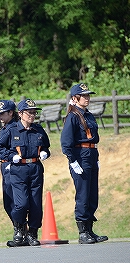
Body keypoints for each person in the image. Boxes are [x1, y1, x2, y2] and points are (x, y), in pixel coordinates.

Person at [0, 99, 50, 247]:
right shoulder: (11, 130)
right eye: (29, 112)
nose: (32, 115)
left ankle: (32, 233)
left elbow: (46, 147)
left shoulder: (38, 130)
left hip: (35, 169)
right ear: (20, 114)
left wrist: (45, 153)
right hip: (18, 170)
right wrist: (10, 157)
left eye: (34, 112)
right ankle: (19, 227)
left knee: (35, 204)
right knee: (21, 203)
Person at [60, 83, 108, 244]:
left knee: (92, 194)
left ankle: (90, 230)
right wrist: (72, 161)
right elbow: (66, 142)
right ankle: (82, 232)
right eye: (84, 95)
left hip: (92, 154)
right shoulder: (73, 116)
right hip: (80, 156)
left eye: (88, 95)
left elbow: (93, 138)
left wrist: (97, 158)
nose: (87, 98)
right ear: (75, 98)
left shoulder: (88, 115)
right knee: (83, 194)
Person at [0, 100, 19, 224]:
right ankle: (19, 228)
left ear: (10, 113)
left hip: (11, 164)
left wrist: (9, 159)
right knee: (8, 201)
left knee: (12, 201)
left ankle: (20, 228)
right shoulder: (6, 127)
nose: (0, 116)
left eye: (2, 113)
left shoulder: (14, 127)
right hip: (4, 164)